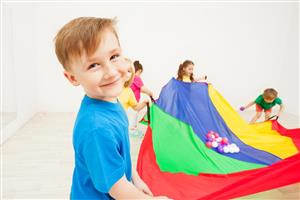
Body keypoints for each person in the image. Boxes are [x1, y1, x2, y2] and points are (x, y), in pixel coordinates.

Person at [54, 17, 166, 199]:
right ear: (73, 78)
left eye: (114, 57)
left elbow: (120, 154)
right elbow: (117, 188)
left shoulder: (112, 101)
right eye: (93, 65)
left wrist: (134, 179)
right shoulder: (96, 128)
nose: (111, 72)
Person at [119, 59, 149, 136]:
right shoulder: (110, 88)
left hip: (120, 125)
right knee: (133, 116)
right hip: (109, 124)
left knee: (133, 116)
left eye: (129, 71)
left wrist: (144, 103)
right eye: (124, 70)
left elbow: (136, 107)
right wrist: (150, 93)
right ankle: (132, 129)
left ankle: (132, 129)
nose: (127, 73)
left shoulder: (129, 91)